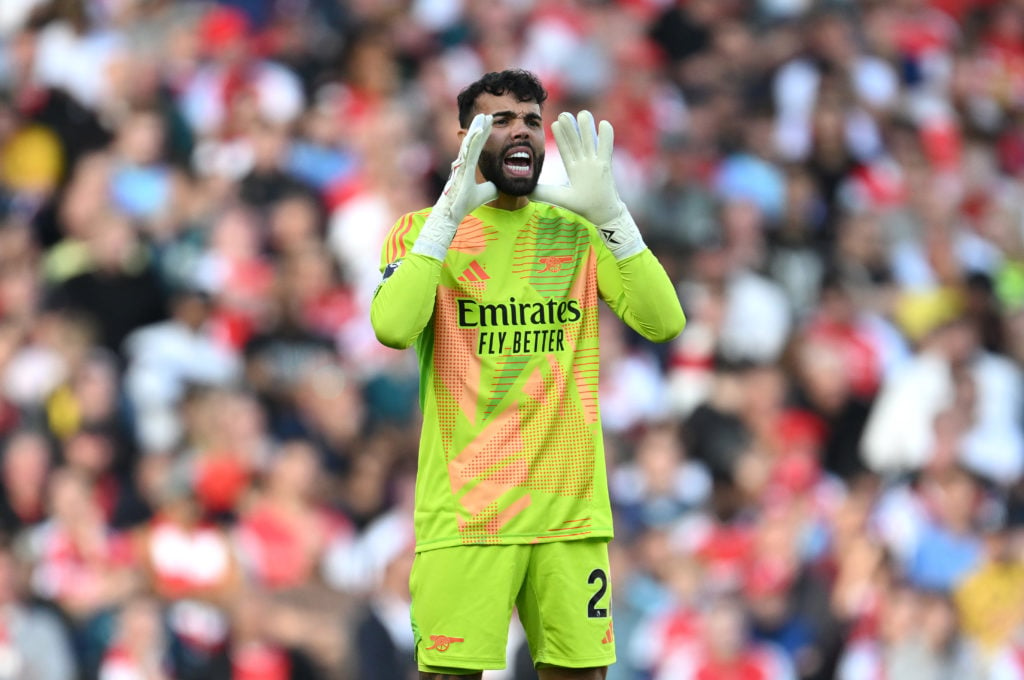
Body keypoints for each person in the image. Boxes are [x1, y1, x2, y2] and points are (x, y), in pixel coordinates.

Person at [370, 68, 686, 679]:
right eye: (502, 120)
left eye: (533, 122)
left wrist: (614, 214)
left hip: (568, 514)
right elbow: (392, 327)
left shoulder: (577, 230)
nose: (523, 133)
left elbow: (664, 322)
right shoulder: (418, 233)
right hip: (468, 515)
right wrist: (444, 219)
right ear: (464, 136)